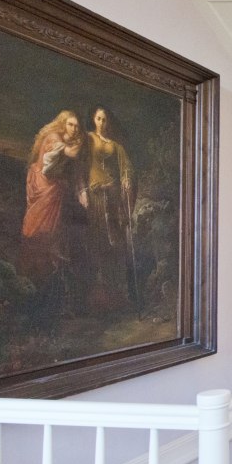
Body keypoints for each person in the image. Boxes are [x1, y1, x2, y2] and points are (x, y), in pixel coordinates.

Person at [21, 109, 88, 312]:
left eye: (77, 126)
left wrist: (83, 193)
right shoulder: (54, 138)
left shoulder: (70, 143)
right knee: (39, 234)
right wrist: (83, 142)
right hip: (42, 188)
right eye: (70, 124)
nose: (74, 128)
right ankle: (35, 292)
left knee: (59, 238)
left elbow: (76, 175)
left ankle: (59, 299)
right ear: (62, 124)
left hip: (57, 192)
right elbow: (71, 153)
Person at [83, 106, 138, 312]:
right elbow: (80, 165)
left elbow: (127, 170)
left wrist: (126, 182)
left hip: (112, 198)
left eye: (105, 119)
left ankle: (116, 297)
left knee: (113, 244)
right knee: (97, 243)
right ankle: (97, 299)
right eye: (98, 118)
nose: (101, 123)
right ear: (93, 119)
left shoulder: (116, 146)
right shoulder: (87, 139)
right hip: (95, 197)